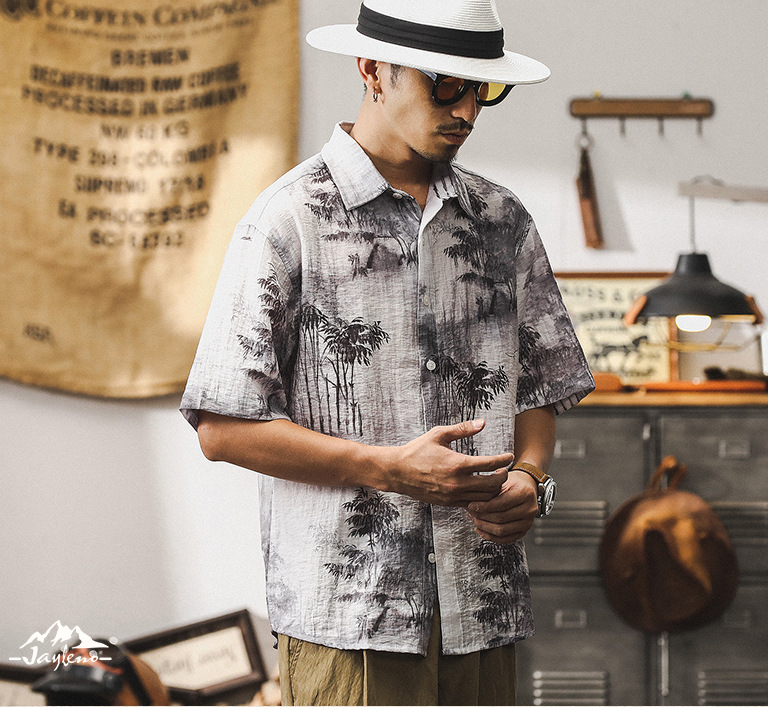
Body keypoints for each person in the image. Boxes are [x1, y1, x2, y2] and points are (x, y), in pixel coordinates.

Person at [180, 0, 595, 704]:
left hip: (482, 609)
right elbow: (222, 428)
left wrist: (530, 476)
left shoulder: (503, 221)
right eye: (446, 84)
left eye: (484, 88)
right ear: (372, 68)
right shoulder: (288, 220)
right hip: (351, 618)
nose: (468, 109)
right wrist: (389, 469)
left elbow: (538, 390)